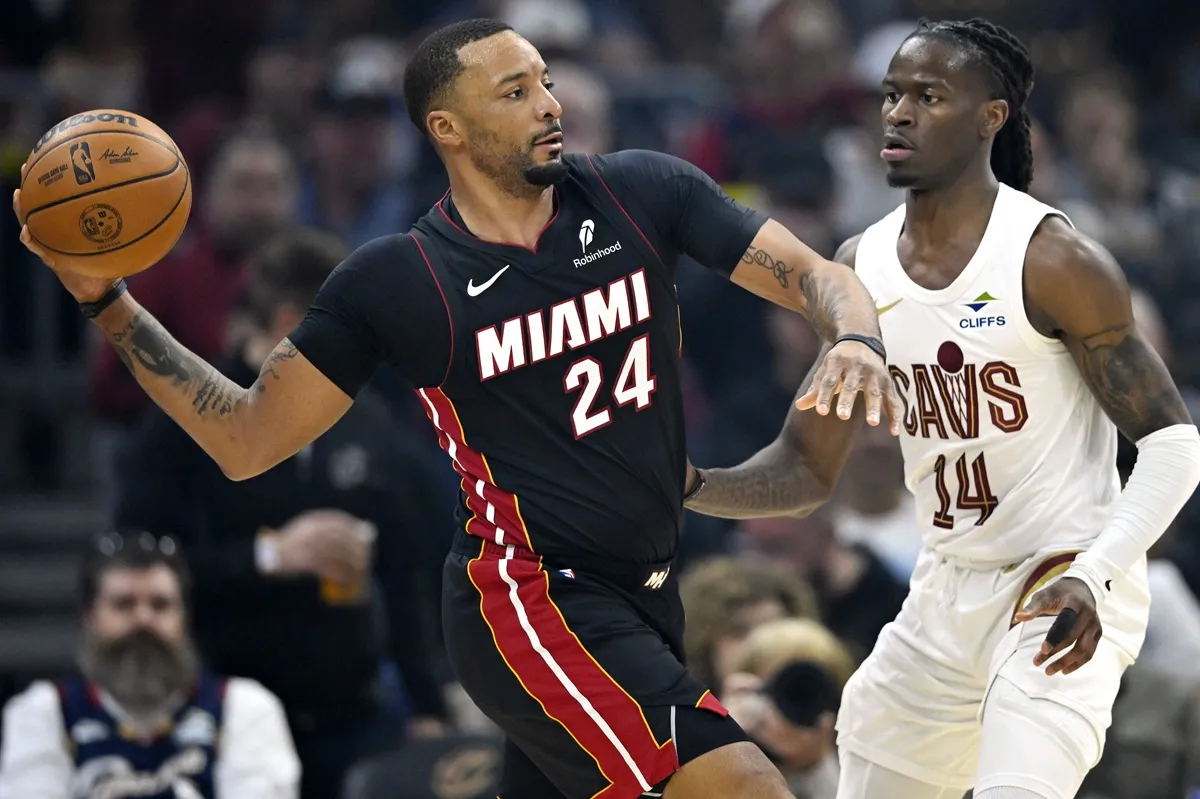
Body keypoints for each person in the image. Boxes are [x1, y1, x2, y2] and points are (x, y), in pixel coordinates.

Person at [14, 18, 901, 799]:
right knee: (741, 783)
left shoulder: (643, 191)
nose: (548, 103)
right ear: (449, 127)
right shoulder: (401, 278)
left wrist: (855, 337)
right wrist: (109, 304)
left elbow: (822, 277)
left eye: (546, 82)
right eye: (516, 92)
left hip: (646, 586)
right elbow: (246, 438)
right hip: (528, 597)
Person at [684, 17, 1200, 799]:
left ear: (992, 115)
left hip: (1061, 580)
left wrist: (1096, 574)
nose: (897, 112)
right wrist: (681, 481)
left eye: (928, 95)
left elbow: (1174, 444)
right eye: (892, 95)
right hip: (946, 586)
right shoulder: (860, 266)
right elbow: (802, 468)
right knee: (865, 745)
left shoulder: (1051, 257)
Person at [112, 229, 451, 798]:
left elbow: (402, 574)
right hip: (217, 711)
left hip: (350, 713)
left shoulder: (369, 423)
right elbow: (130, 566)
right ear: (293, 321)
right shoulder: (183, 423)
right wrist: (268, 556)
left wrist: (425, 704)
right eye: (357, 331)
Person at [0, 531, 299, 799]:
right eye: (124, 604)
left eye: (160, 604)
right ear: (88, 618)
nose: (143, 619)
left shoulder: (244, 707)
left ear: (184, 618)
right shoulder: (43, 712)